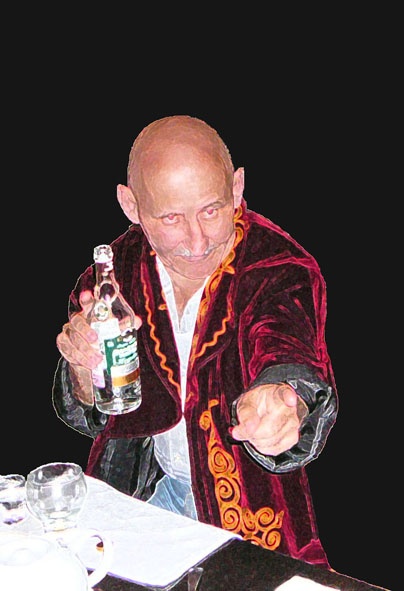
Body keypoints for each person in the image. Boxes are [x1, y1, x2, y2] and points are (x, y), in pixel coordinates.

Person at [53, 115, 338, 568]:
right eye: (171, 218)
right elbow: (94, 416)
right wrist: (83, 372)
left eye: (211, 210)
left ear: (237, 188)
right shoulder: (112, 278)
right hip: (143, 498)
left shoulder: (279, 269)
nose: (198, 240)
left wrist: (286, 398)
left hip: (249, 518)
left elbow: (287, 348)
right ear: (131, 205)